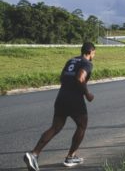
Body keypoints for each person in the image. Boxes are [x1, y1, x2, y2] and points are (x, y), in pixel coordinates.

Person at [24, 42, 96, 171]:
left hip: (61, 97)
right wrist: (87, 94)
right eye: (94, 53)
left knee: (55, 127)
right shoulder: (87, 63)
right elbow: (80, 78)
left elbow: (62, 78)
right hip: (75, 99)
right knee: (82, 125)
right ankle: (70, 157)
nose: (94, 56)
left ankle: (33, 154)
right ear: (90, 52)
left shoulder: (71, 61)